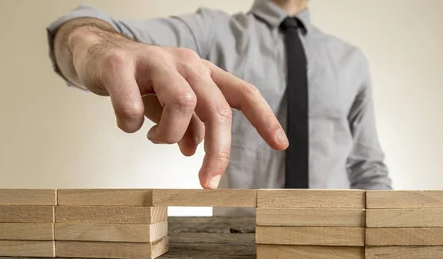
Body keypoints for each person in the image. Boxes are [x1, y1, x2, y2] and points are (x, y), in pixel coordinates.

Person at [47, 0, 392, 199]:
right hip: (237, 249)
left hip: (339, 247)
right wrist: (101, 48)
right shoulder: (212, 32)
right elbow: (79, 28)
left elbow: (368, 169)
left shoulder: (351, 60)